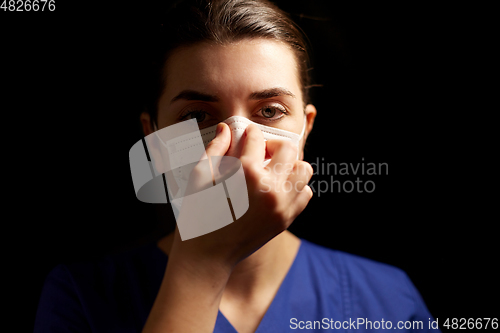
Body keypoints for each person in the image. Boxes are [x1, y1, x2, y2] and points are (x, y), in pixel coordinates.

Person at [34, 0, 440, 332]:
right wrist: (199, 265)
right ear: (154, 141)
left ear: (305, 129)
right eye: (197, 116)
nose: (239, 142)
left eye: (269, 110)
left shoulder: (388, 299)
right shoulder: (81, 298)